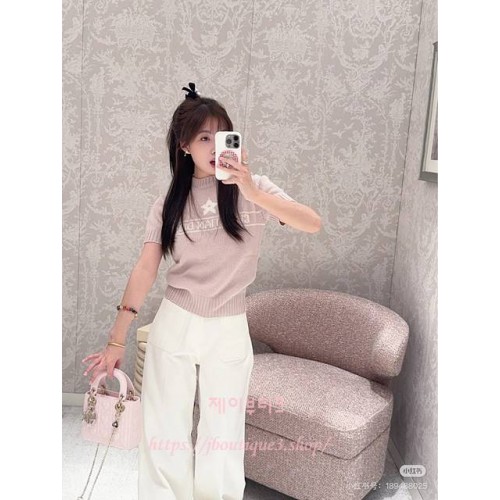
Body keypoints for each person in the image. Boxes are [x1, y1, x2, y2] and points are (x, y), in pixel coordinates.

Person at [81, 82, 321, 500]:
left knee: (223, 432)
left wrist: (252, 190)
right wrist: (116, 339)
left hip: (229, 325)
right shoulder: (168, 204)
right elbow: (145, 269)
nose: (214, 146)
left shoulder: (255, 190)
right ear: (184, 145)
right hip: (176, 321)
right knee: (165, 427)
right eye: (204, 137)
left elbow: (311, 223)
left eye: (223, 136)